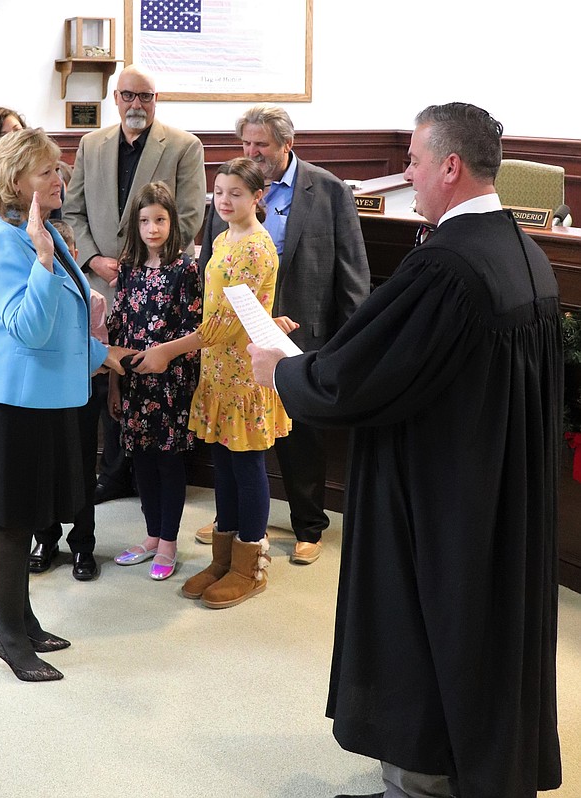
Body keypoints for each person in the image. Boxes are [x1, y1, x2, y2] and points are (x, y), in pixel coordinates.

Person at [249, 103, 563, 798]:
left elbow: (354, 378)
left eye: (415, 162)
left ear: (450, 166)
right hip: (495, 500)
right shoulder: (526, 255)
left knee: (424, 636)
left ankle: (419, 785)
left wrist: (283, 369)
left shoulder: (446, 269)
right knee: (481, 639)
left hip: (438, 505)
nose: (408, 176)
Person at [0, 128, 130, 682]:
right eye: (48, 170)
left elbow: (65, 328)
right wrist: (47, 262)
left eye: (60, 168)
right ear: (16, 181)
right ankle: (5, 635)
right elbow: (29, 329)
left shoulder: (41, 231)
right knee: (9, 520)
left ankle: (21, 619)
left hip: (45, 397)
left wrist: (111, 355)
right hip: (7, 401)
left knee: (28, 513)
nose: (61, 177)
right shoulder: (4, 242)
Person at [195, 104, 370, 565]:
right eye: (246, 144)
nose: (252, 153)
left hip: (302, 334)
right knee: (238, 439)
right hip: (235, 344)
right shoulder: (232, 193)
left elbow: (352, 272)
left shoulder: (327, 190)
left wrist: (349, 342)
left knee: (301, 437)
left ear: (287, 146)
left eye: (262, 146)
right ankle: (235, 525)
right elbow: (209, 267)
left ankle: (308, 525)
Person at [135, 158, 291, 608]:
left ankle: (250, 565)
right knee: (222, 463)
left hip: (246, 371)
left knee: (246, 467)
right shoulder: (222, 238)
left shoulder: (258, 248)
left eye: (236, 193)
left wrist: (168, 349)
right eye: (219, 191)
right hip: (217, 369)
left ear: (257, 197)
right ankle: (222, 559)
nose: (224, 200)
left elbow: (224, 323)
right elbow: (216, 309)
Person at [63, 64, 207, 505]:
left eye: (145, 96)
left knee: (146, 374)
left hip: (158, 284)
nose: (136, 105)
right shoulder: (91, 144)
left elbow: (188, 216)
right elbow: (73, 213)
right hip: (101, 281)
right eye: (128, 96)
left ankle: (146, 475)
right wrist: (93, 258)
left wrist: (142, 265)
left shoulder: (183, 146)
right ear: (115, 98)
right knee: (107, 379)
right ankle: (113, 472)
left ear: (155, 99)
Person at [108, 182, 202, 581]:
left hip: (171, 382)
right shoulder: (127, 268)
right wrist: (114, 383)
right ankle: (150, 536)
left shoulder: (186, 269)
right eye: (145, 220)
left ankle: (168, 542)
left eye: (159, 219)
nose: (152, 228)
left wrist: (167, 358)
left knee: (167, 460)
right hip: (133, 382)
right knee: (141, 458)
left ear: (171, 221)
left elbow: (195, 328)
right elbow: (118, 326)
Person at [28, 219, 109, 581]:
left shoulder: (92, 300)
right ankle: (45, 539)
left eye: (65, 254)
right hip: (42, 395)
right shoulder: (34, 294)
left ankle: (83, 545)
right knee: (41, 468)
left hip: (79, 396)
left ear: (75, 256)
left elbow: (96, 354)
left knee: (79, 471)